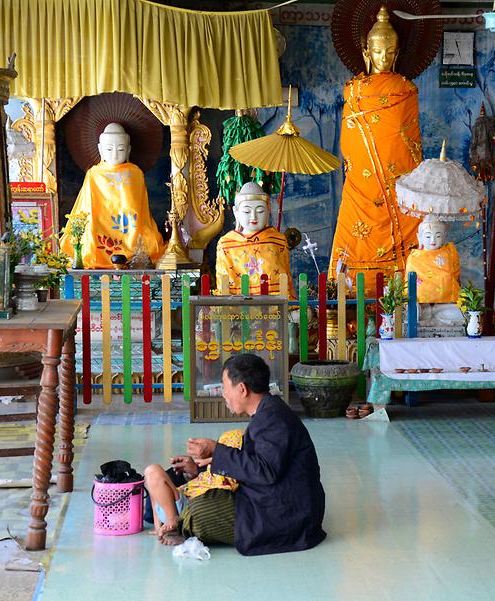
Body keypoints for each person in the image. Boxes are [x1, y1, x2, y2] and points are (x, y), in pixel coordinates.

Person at [144, 354, 326, 555]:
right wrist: (199, 468)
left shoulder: (273, 419)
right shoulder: (267, 413)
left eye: (224, 386)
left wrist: (216, 450)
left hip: (287, 515)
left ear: (242, 389)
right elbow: (252, 462)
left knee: (200, 511)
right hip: (274, 499)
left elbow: (264, 471)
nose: (223, 394)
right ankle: (178, 518)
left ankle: (181, 523)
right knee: (188, 488)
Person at [329, 6, 422, 297]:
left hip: (398, 183)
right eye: (378, 51)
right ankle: (350, 301)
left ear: (398, 53)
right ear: (366, 51)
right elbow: (349, 142)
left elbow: (410, 143)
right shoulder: (353, 92)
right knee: (354, 241)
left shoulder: (407, 91)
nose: (385, 58)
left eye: (390, 52)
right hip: (362, 186)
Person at [59, 123, 164, 268]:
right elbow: (87, 205)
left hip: (130, 228)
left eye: (120, 149)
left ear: (128, 150)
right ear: (100, 150)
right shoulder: (94, 174)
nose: (114, 154)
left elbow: (141, 209)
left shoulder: (135, 173)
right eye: (109, 149)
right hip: (99, 227)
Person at [215, 181, 293, 296]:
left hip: (275, 305)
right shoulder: (226, 243)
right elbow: (224, 283)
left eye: (260, 210)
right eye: (247, 211)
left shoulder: (278, 240)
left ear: (268, 211)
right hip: (239, 306)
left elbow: (285, 279)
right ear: (236, 212)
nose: (253, 216)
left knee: (304, 314)